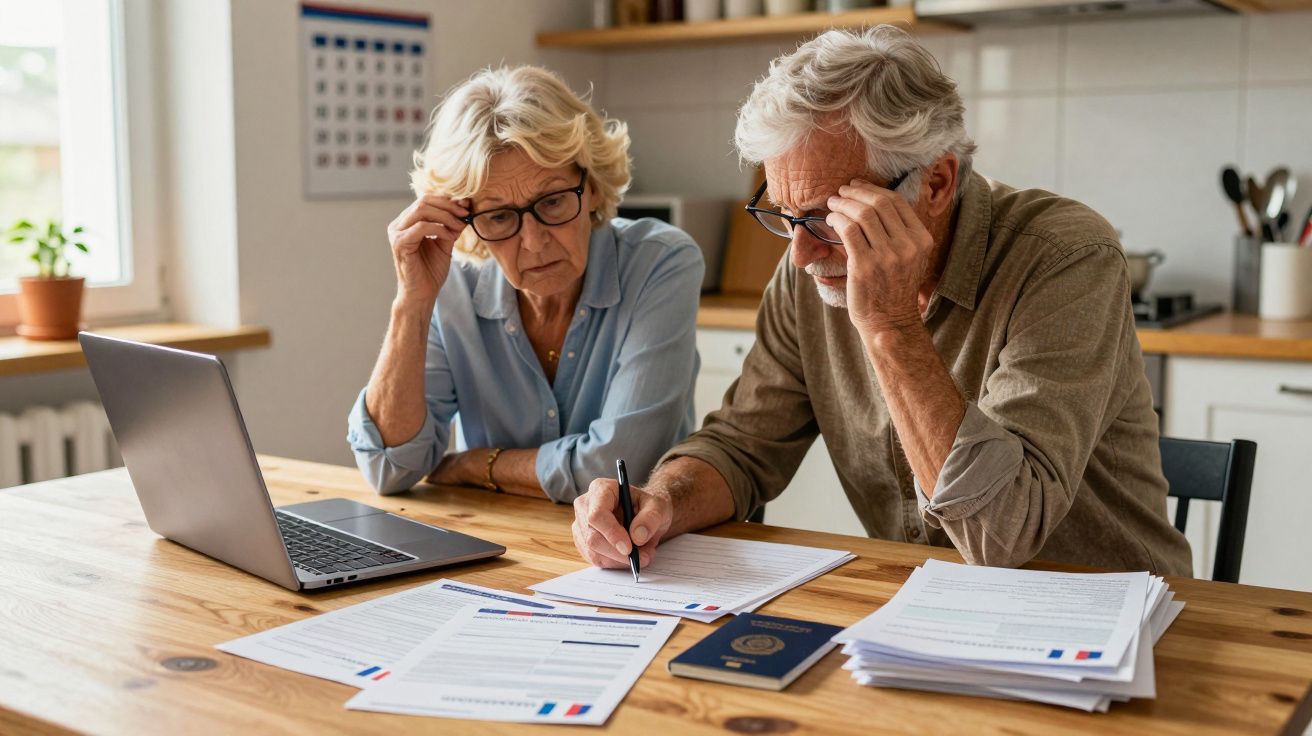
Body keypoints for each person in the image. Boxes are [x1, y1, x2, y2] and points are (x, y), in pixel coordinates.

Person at [570, 26, 1192, 575]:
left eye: (830, 217)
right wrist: (663, 502)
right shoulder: (808, 270)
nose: (800, 255)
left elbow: (1002, 532)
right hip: (924, 609)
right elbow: (742, 446)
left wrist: (891, 326)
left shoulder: (1064, 258)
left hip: (1105, 615)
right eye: (785, 217)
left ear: (937, 182)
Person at [347, 65, 703, 502]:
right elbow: (390, 468)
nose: (533, 243)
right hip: (505, 547)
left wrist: (476, 464)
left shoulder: (660, 263)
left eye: (552, 202)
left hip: (639, 551)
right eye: (499, 216)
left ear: (590, 187)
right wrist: (412, 303)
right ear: (467, 222)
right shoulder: (452, 286)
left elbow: (614, 468)